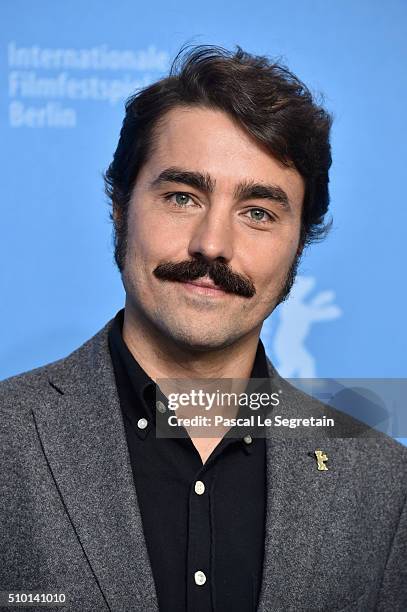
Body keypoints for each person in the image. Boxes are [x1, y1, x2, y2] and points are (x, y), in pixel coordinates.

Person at [1, 45, 406, 612]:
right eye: (182, 197)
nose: (212, 244)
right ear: (119, 206)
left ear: (299, 244)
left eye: (259, 212)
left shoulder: (382, 483)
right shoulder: (7, 439)